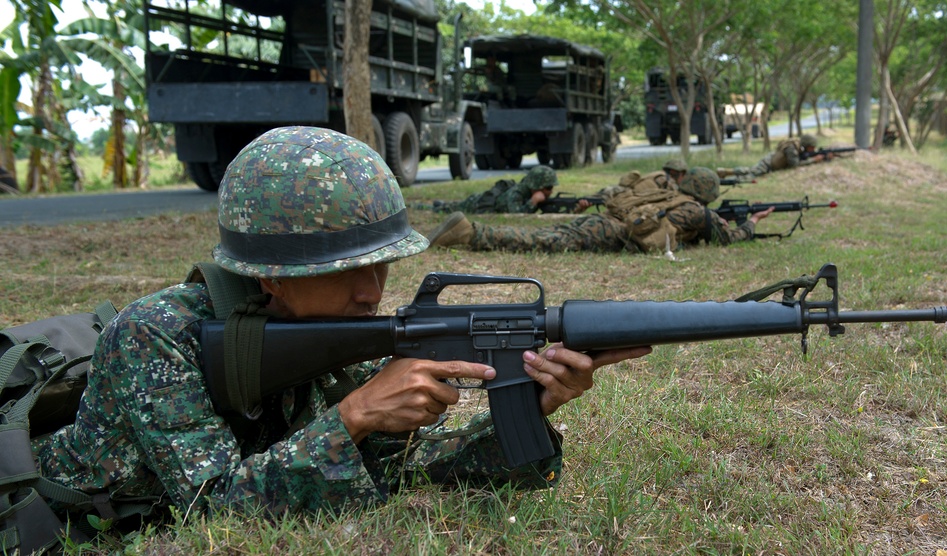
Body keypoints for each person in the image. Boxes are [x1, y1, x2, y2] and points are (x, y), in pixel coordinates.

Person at [34, 127, 651, 519]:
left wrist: (531, 409)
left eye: (381, 265)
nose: (370, 291)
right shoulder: (156, 335)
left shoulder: (332, 325)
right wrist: (354, 415)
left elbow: (400, 465)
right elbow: (212, 506)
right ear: (270, 275)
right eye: (346, 270)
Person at [427, 167, 774, 255]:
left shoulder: (665, 190)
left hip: (604, 220)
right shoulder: (700, 213)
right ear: (709, 194)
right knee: (543, 240)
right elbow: (729, 238)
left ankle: (471, 233)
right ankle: (471, 233)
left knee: (549, 236)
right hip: (611, 233)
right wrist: (753, 222)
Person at [423, 165, 559, 214]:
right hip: (476, 204)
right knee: (444, 209)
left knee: (450, 206)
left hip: (481, 202)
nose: (550, 192)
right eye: (548, 188)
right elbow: (515, 215)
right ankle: (426, 206)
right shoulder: (516, 193)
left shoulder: (527, 193)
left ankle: (441, 204)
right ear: (536, 185)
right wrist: (533, 202)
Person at [716, 134, 831, 181]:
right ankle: (727, 178)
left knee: (751, 171)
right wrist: (814, 160)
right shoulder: (792, 148)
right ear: (806, 145)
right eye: (811, 147)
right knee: (751, 175)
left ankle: (726, 172)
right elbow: (794, 164)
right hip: (768, 163)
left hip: (771, 162)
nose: (812, 150)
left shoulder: (798, 147)